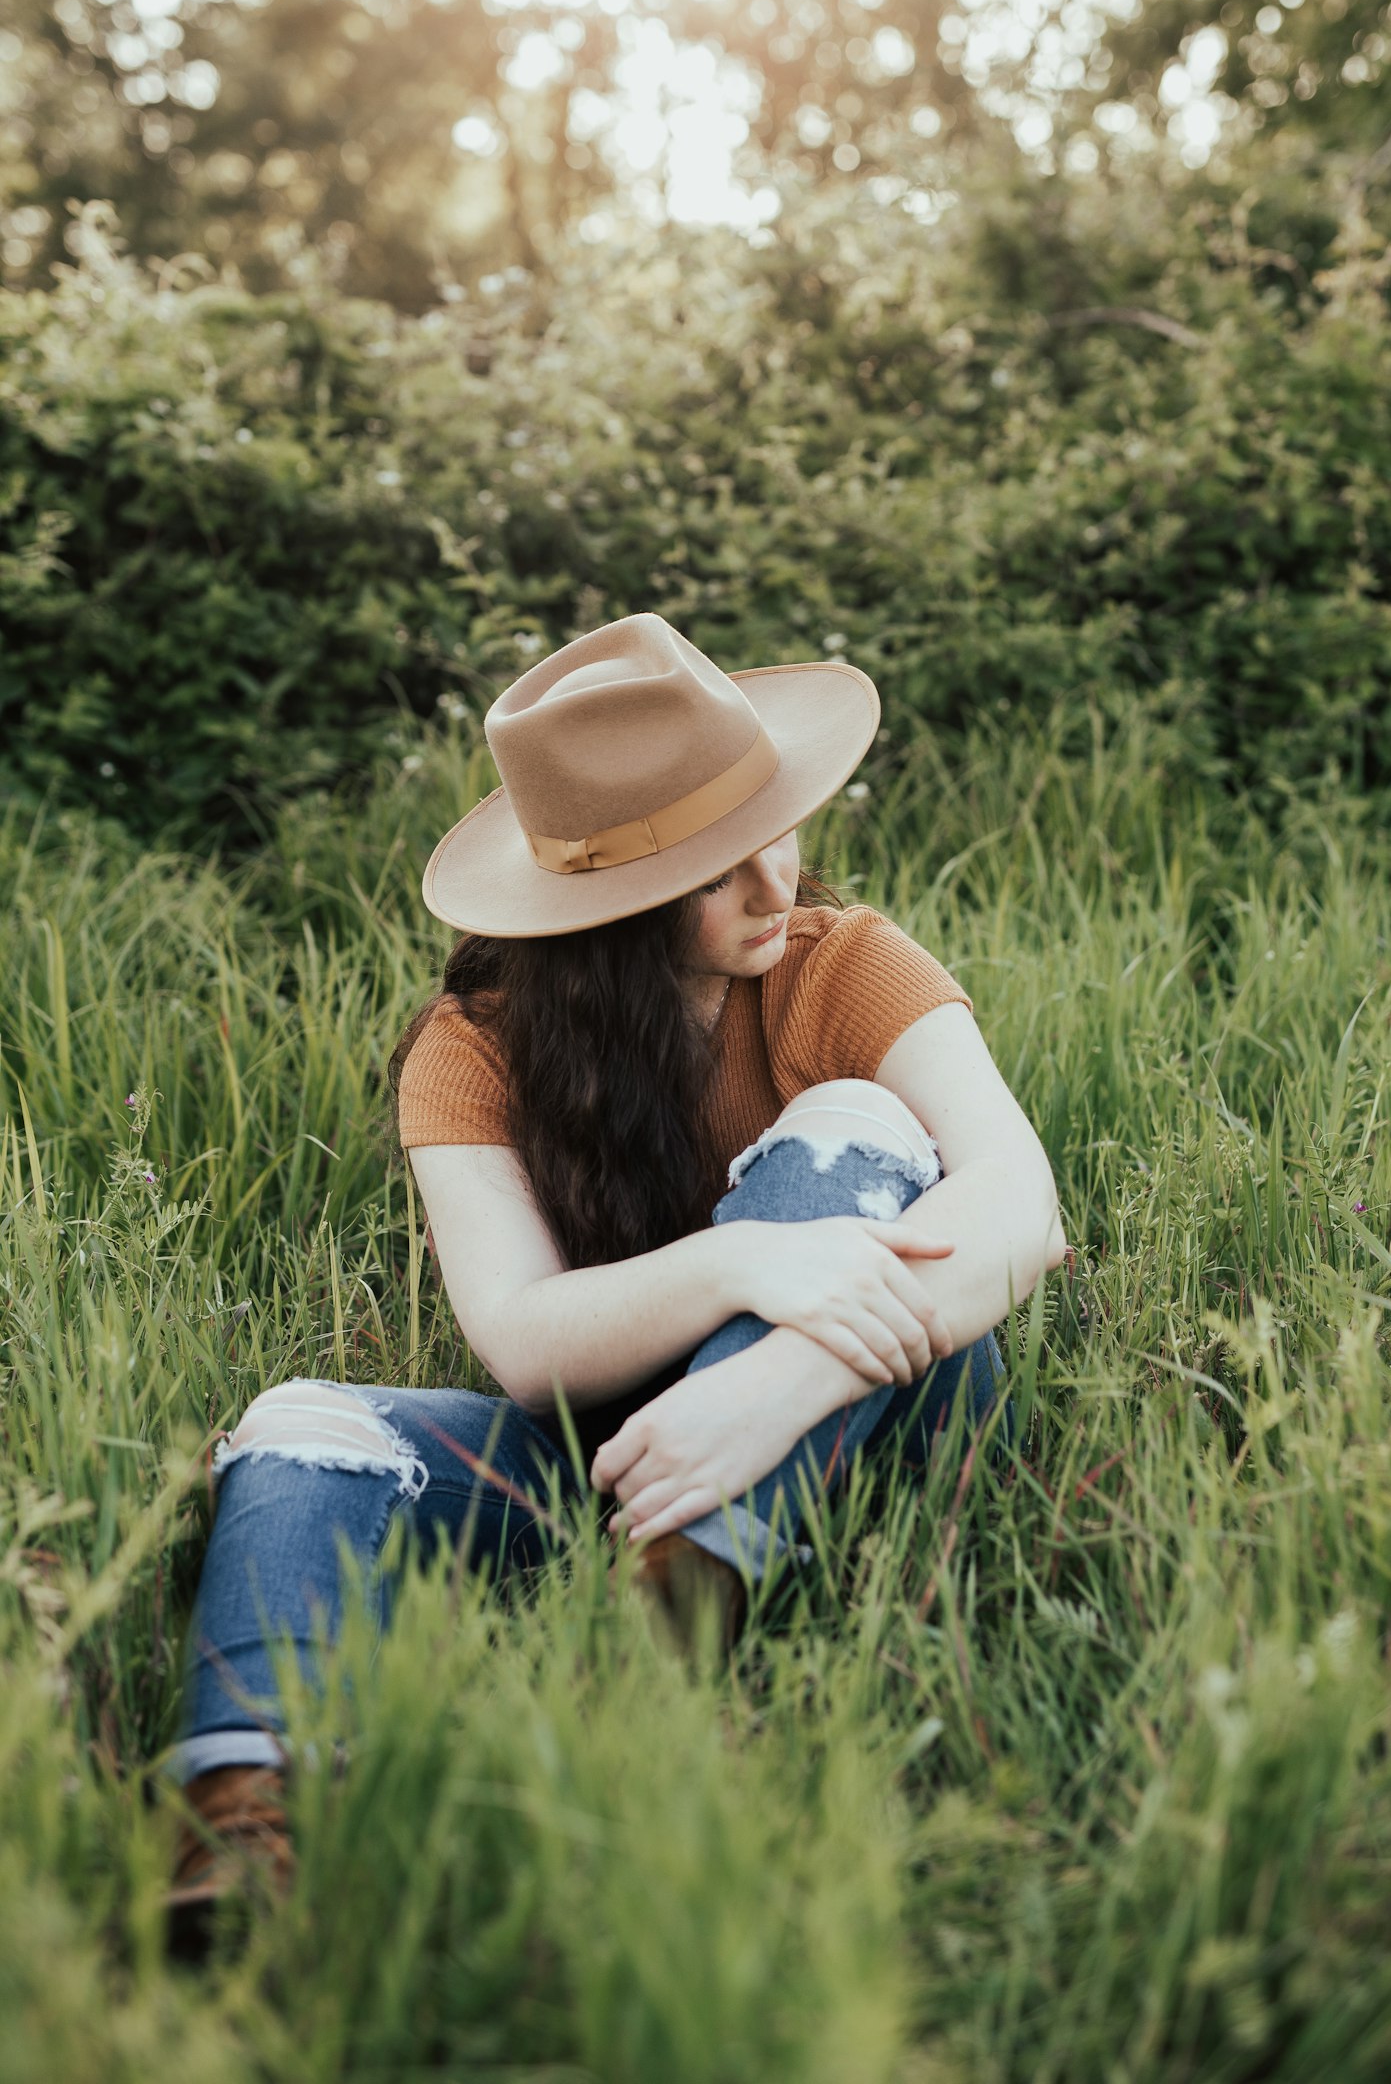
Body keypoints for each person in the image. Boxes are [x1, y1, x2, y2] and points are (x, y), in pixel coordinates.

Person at [164, 613, 1065, 1948]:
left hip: (874, 1414)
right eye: (717, 868)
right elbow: (524, 1344)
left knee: (857, 1134)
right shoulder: (471, 1052)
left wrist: (771, 1388)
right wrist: (743, 1257)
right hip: (620, 1451)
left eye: (777, 827)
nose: (776, 882)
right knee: (304, 1421)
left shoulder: (844, 966)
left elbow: (1020, 1210)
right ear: (609, 915)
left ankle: (663, 1644)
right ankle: (252, 1826)